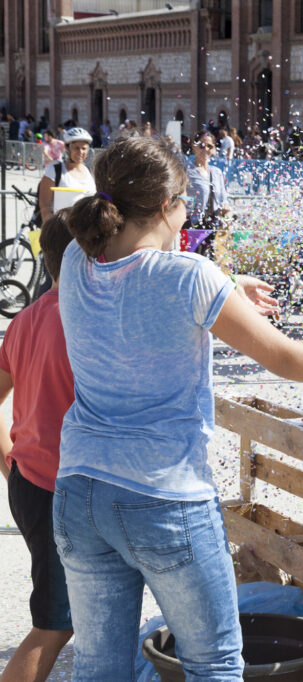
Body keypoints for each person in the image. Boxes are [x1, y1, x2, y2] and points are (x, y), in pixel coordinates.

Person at [53, 135, 303, 679]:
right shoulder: (190, 280)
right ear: (167, 208)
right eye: (185, 208)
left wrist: (223, 288)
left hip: (80, 489)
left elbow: (135, 278)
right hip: (163, 496)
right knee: (215, 666)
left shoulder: (74, 259)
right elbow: (285, 358)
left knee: (99, 669)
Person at [0, 212, 76, 682]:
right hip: (53, 491)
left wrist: (11, 464)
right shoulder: (78, 318)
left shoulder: (24, 318)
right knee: (53, 626)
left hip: (31, 484)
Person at [38, 128, 96, 223]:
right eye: (76, 148)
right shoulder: (54, 171)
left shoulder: (91, 172)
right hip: (61, 231)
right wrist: (50, 231)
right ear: (67, 148)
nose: (80, 152)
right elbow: (45, 206)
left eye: (84, 148)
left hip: (85, 232)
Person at [185, 131, 230, 234]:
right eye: (202, 145)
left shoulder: (217, 173)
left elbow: (223, 200)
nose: (206, 149)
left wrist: (225, 209)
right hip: (193, 228)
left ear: (213, 148)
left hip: (213, 228)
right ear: (194, 146)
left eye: (209, 146)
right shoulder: (187, 172)